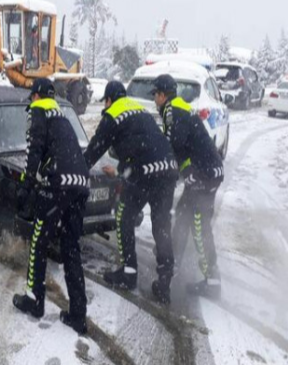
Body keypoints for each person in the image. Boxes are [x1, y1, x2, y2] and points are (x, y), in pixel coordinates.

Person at [84, 81, 179, 304]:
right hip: (168, 169)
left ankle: (128, 272)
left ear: (108, 100)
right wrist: (119, 170)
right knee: (161, 224)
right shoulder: (139, 109)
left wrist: (75, 171)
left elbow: (93, 151)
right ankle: (165, 282)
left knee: (124, 214)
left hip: (144, 174)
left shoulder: (112, 114)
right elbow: (143, 146)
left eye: (105, 102)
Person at [12, 78, 90, 334]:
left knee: (39, 239)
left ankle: (34, 301)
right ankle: (78, 314)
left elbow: (33, 150)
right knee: (70, 247)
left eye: (32, 97)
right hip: (80, 183)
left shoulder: (38, 110)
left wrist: (24, 186)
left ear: (36, 95)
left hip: (59, 183)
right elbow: (63, 151)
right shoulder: (63, 118)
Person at [152, 74, 224, 298]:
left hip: (204, 175)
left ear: (163, 95)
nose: (154, 99)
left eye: (155, 94)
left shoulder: (173, 111)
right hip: (205, 172)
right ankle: (173, 261)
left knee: (198, 225)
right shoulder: (177, 108)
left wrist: (164, 172)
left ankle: (212, 282)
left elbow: (174, 146)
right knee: (183, 216)